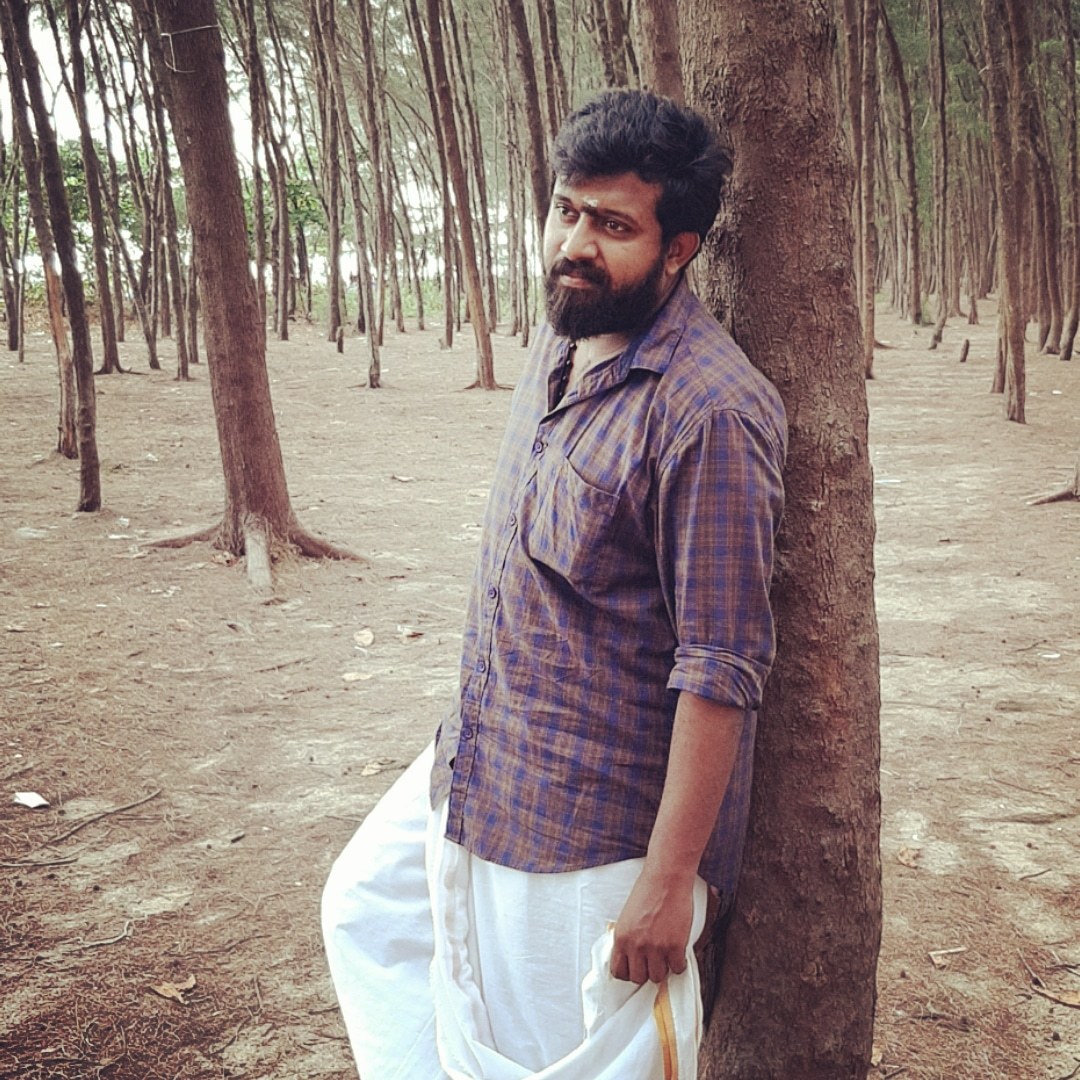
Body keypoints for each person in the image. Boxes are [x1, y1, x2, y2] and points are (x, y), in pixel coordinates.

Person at [322, 89, 787, 1079]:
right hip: (484, 757)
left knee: (543, 1058)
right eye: (566, 211)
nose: (574, 244)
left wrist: (666, 882)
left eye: (612, 226)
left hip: (593, 828)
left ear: (678, 249)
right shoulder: (566, 333)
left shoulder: (710, 413)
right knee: (366, 909)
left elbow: (722, 667)